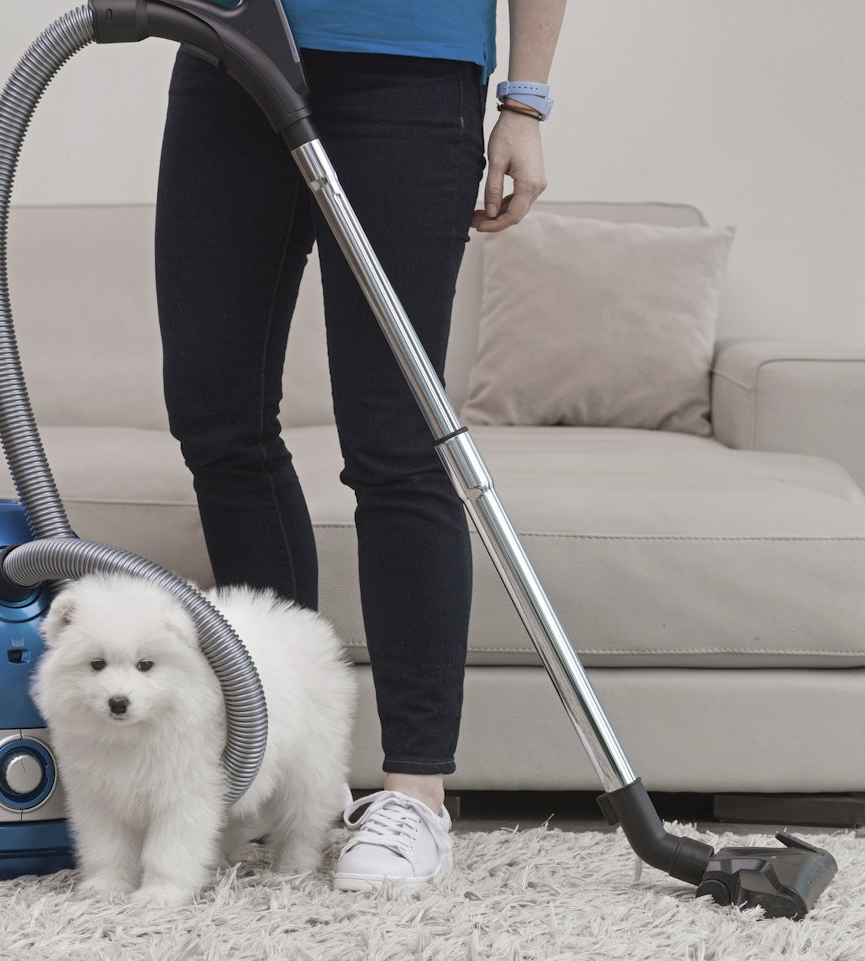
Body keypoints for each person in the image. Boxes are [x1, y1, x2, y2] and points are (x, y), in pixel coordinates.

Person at [153, 0, 566, 890]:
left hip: (408, 74)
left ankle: (416, 795)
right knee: (215, 416)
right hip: (228, 50)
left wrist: (523, 103)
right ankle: (284, 760)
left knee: (395, 436)